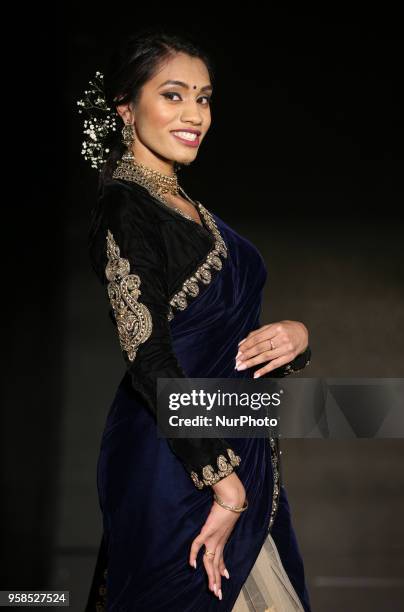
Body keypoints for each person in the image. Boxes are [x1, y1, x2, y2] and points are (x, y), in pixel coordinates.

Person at [80, 27, 312, 612]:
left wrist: (296, 338)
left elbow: (226, 333)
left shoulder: (189, 208)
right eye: (174, 95)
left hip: (238, 447)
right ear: (127, 110)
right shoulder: (125, 205)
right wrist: (222, 482)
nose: (195, 114)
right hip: (180, 460)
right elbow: (148, 354)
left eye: (204, 97)